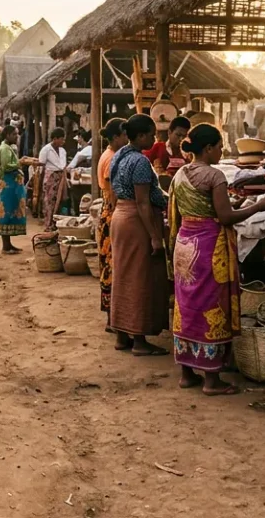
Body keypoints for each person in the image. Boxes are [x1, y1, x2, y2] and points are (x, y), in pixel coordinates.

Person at [169, 124, 265, 395]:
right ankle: (212, 379)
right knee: (211, 305)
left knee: (187, 305)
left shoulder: (180, 173)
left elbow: (186, 213)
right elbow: (224, 218)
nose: (221, 151)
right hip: (208, 247)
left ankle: (186, 372)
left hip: (185, 244)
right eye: (218, 147)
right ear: (208, 148)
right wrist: (258, 207)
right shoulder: (214, 176)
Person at [108, 114, 170, 355]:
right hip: (136, 220)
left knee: (123, 276)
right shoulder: (140, 162)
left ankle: (122, 335)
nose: (154, 139)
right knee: (140, 279)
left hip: (121, 217)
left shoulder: (118, 156)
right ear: (142, 135)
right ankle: (140, 340)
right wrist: (155, 236)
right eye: (152, 134)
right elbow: (143, 202)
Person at [96, 118, 127, 321]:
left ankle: (112, 315)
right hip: (111, 213)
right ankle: (112, 317)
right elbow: (113, 192)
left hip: (107, 212)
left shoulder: (109, 154)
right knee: (112, 264)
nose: (127, 139)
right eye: (125, 135)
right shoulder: (112, 157)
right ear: (116, 137)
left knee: (109, 263)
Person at [0, 124, 27, 253]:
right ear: (7, 135)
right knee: (6, 213)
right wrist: (21, 162)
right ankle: (5, 246)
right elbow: (7, 166)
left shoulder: (8, 148)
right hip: (8, 186)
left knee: (11, 211)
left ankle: (9, 244)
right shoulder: (4, 149)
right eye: (14, 134)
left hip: (13, 186)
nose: (17, 136)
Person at [37, 127, 69, 230]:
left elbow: (63, 164)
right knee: (49, 201)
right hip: (51, 177)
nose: (63, 141)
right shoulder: (46, 149)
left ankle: (56, 224)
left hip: (61, 176)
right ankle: (48, 224)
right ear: (55, 139)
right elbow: (41, 163)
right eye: (61, 139)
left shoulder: (63, 150)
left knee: (60, 201)